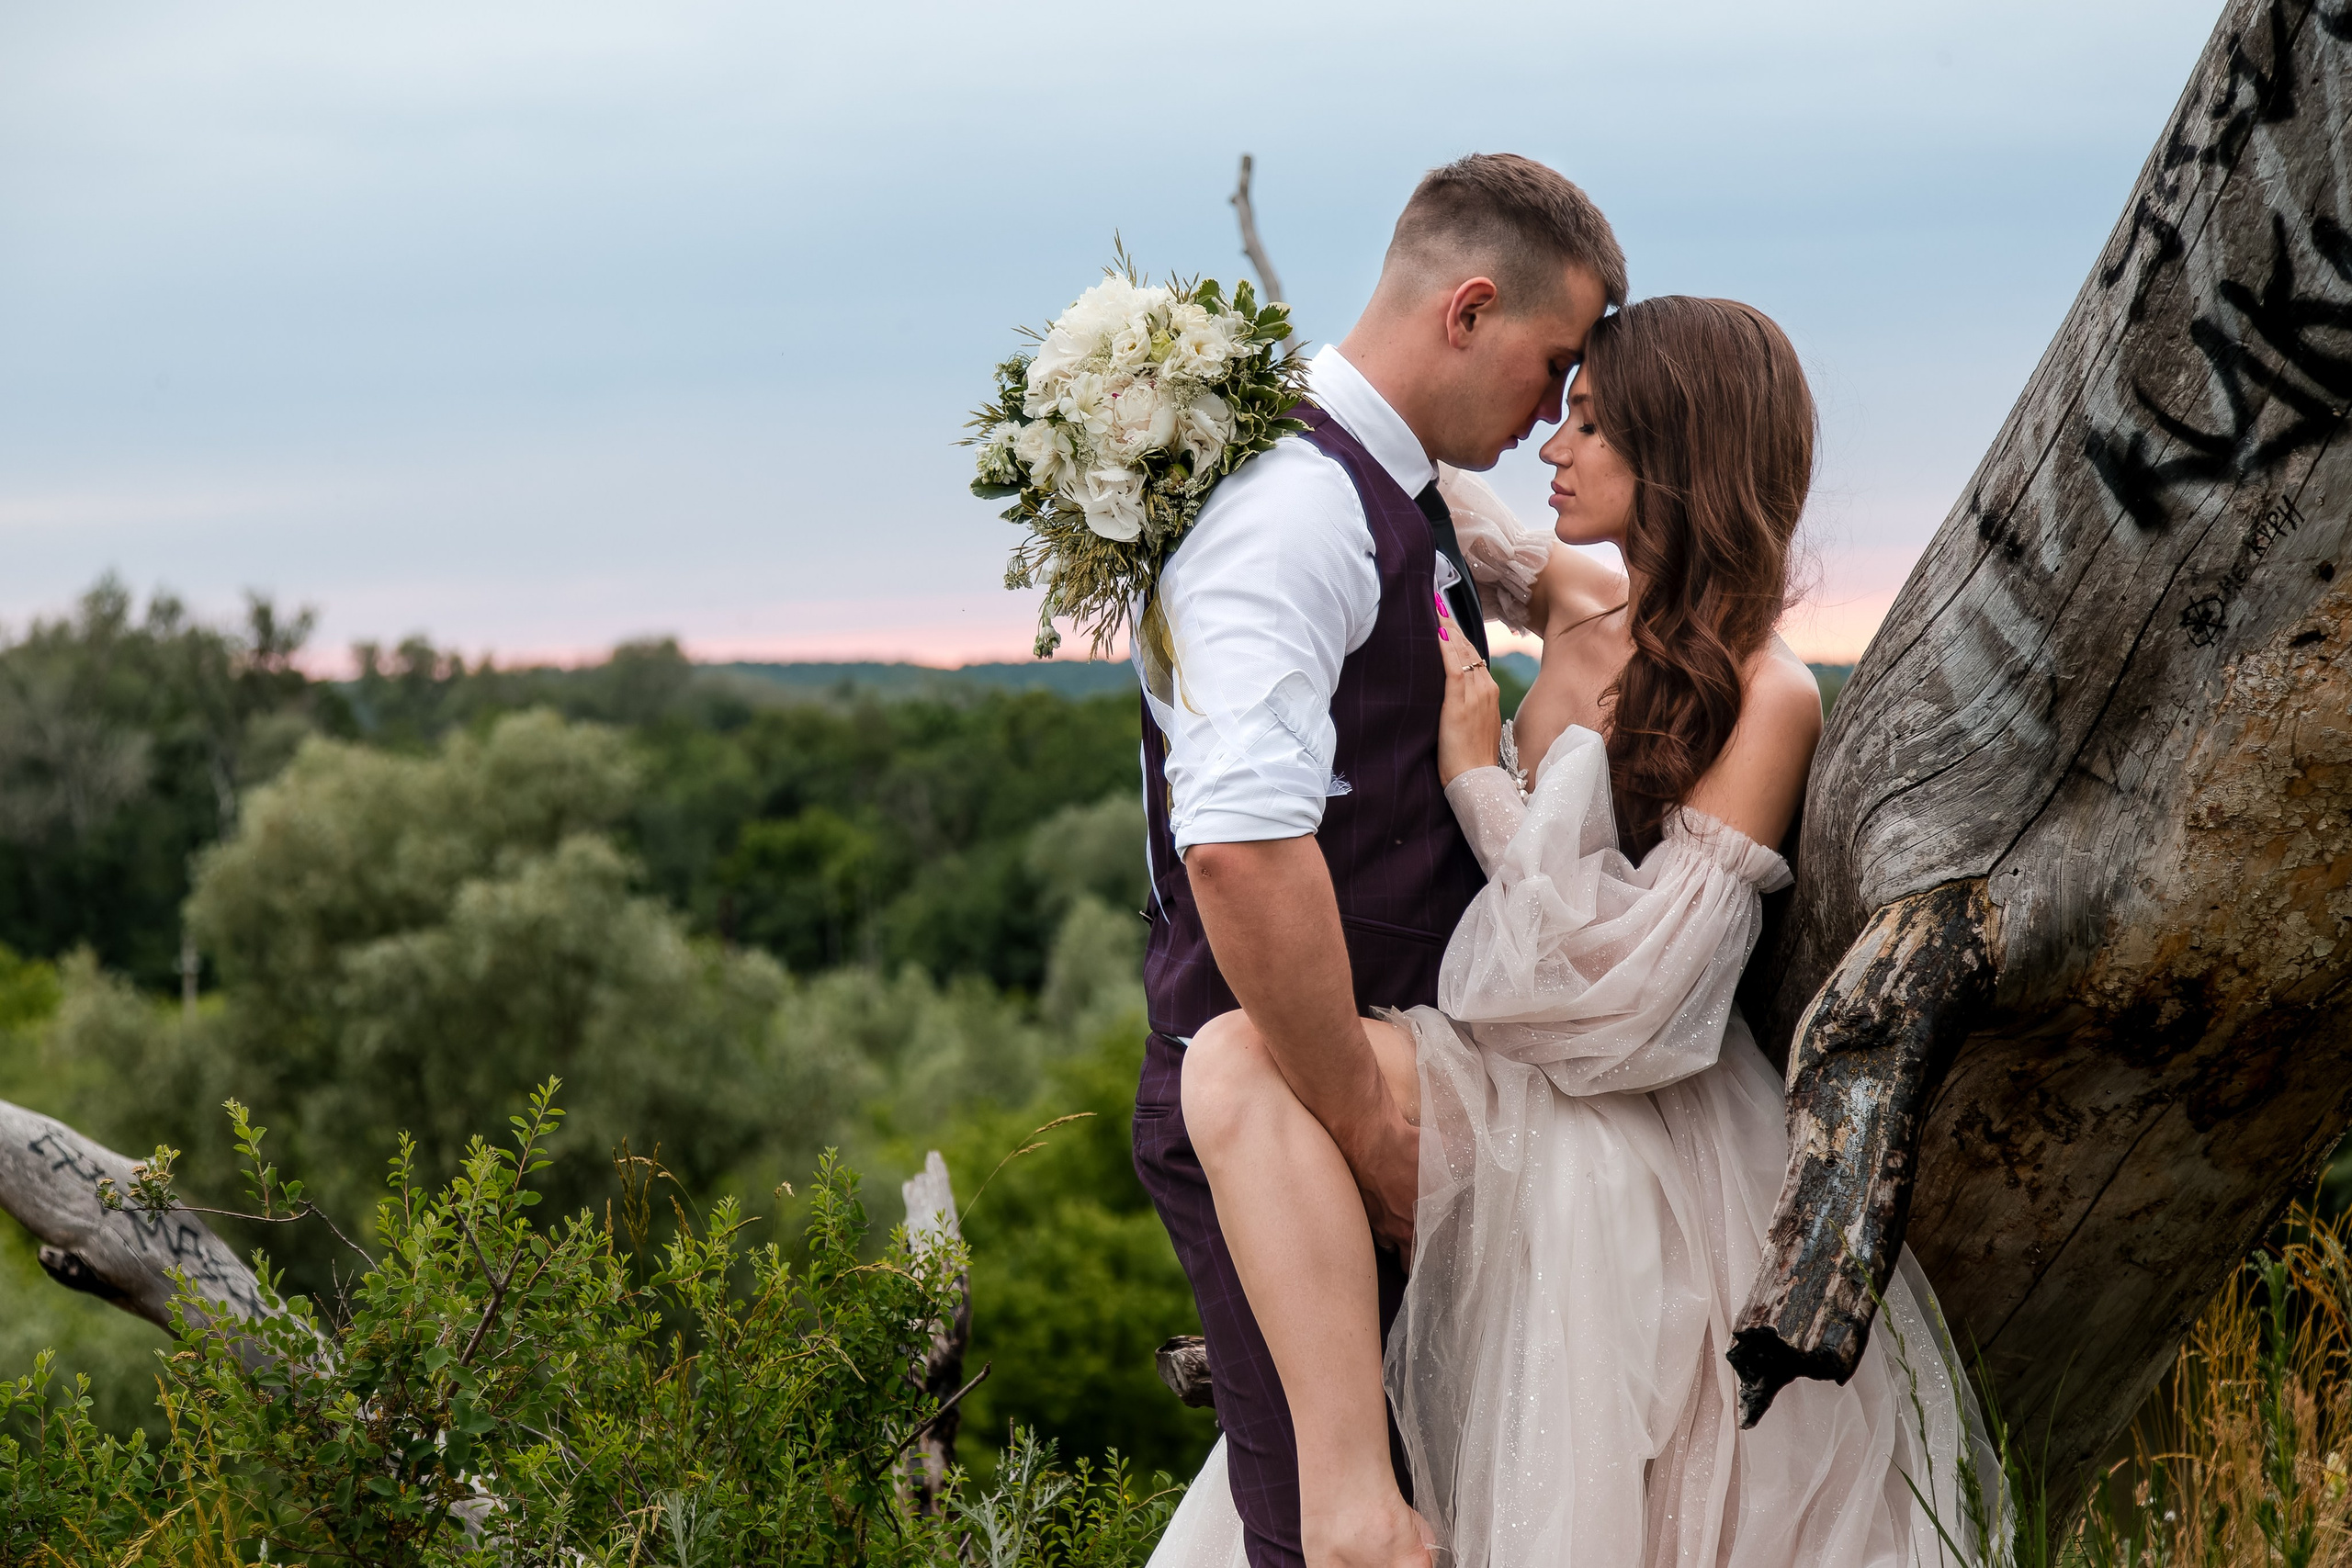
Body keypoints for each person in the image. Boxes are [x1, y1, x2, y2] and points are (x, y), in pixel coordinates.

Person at [1154, 297, 1999, 1568]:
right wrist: (1183, 419)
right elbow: (1415, 478)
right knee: (1229, 1054)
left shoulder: (1767, 692)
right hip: (1501, 1068)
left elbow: (1643, 1010)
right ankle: (1351, 1509)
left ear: (1681, 450)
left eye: (1592, 423)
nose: (1552, 442)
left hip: (1626, 1125)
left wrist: (1471, 777)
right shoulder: (1575, 607)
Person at [1129, 152, 1624, 1568]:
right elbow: (1236, 850)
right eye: (1551, 367)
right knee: (1347, 1542)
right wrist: (1372, 1131)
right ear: (1467, 309)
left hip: (1377, 1095)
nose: (1549, 415)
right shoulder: (1290, 517)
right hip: (1290, 1114)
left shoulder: (1392, 492)